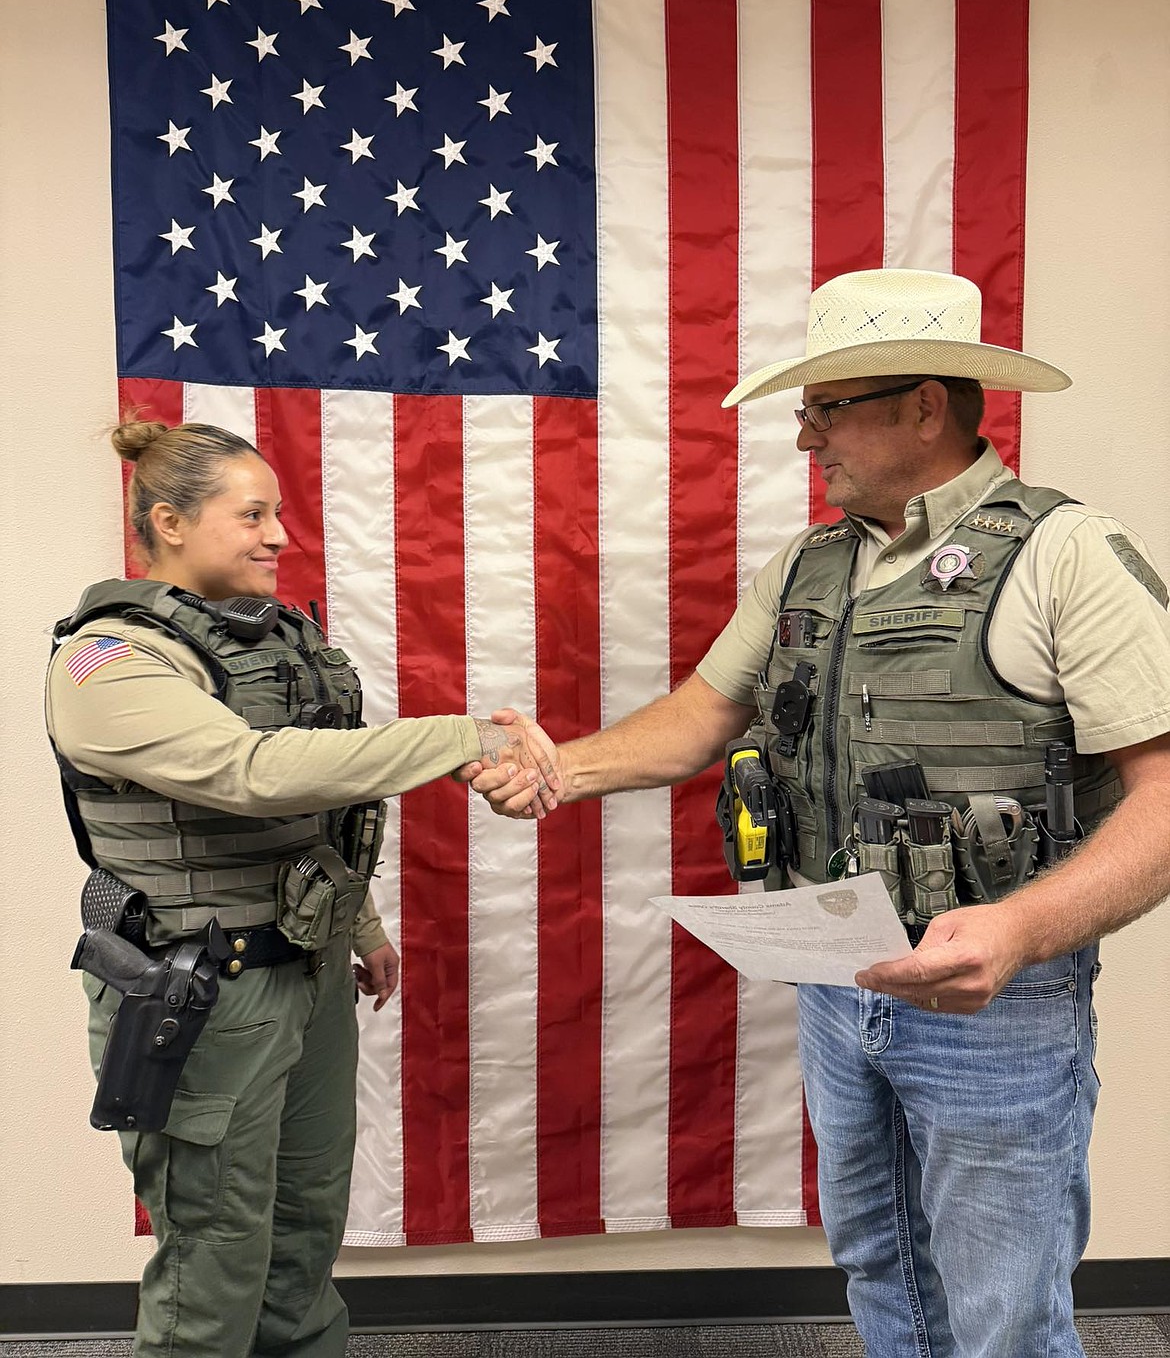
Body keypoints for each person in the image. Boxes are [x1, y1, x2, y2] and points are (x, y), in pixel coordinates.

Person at [462, 268, 1170, 1358]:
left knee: (1002, 1312)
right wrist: (565, 767)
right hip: (843, 986)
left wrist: (1019, 929)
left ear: (925, 405)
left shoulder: (1065, 555)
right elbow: (702, 716)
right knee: (884, 1263)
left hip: (997, 1004)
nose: (805, 440)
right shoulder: (809, 562)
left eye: (826, 409)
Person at [45, 418, 555, 1358]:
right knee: (216, 1257)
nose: (280, 535)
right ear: (168, 521)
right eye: (252, 515)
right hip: (198, 995)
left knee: (303, 1235)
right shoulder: (104, 662)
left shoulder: (278, 642)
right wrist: (461, 737)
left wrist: (360, 927)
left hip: (304, 973)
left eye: (277, 512)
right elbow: (253, 773)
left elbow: (317, 814)